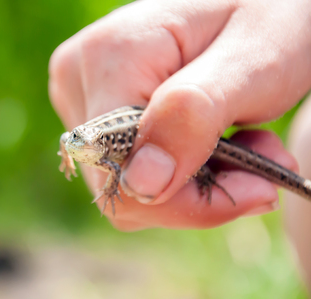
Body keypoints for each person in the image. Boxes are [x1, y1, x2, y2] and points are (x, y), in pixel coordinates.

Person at [48, 0, 311, 289]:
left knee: (208, 157)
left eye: (88, 141)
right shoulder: (76, 140)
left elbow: (112, 169)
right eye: (76, 141)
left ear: (99, 143)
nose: (79, 144)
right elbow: (67, 139)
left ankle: (207, 175)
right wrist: (67, 155)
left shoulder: (99, 150)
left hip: (158, 130)